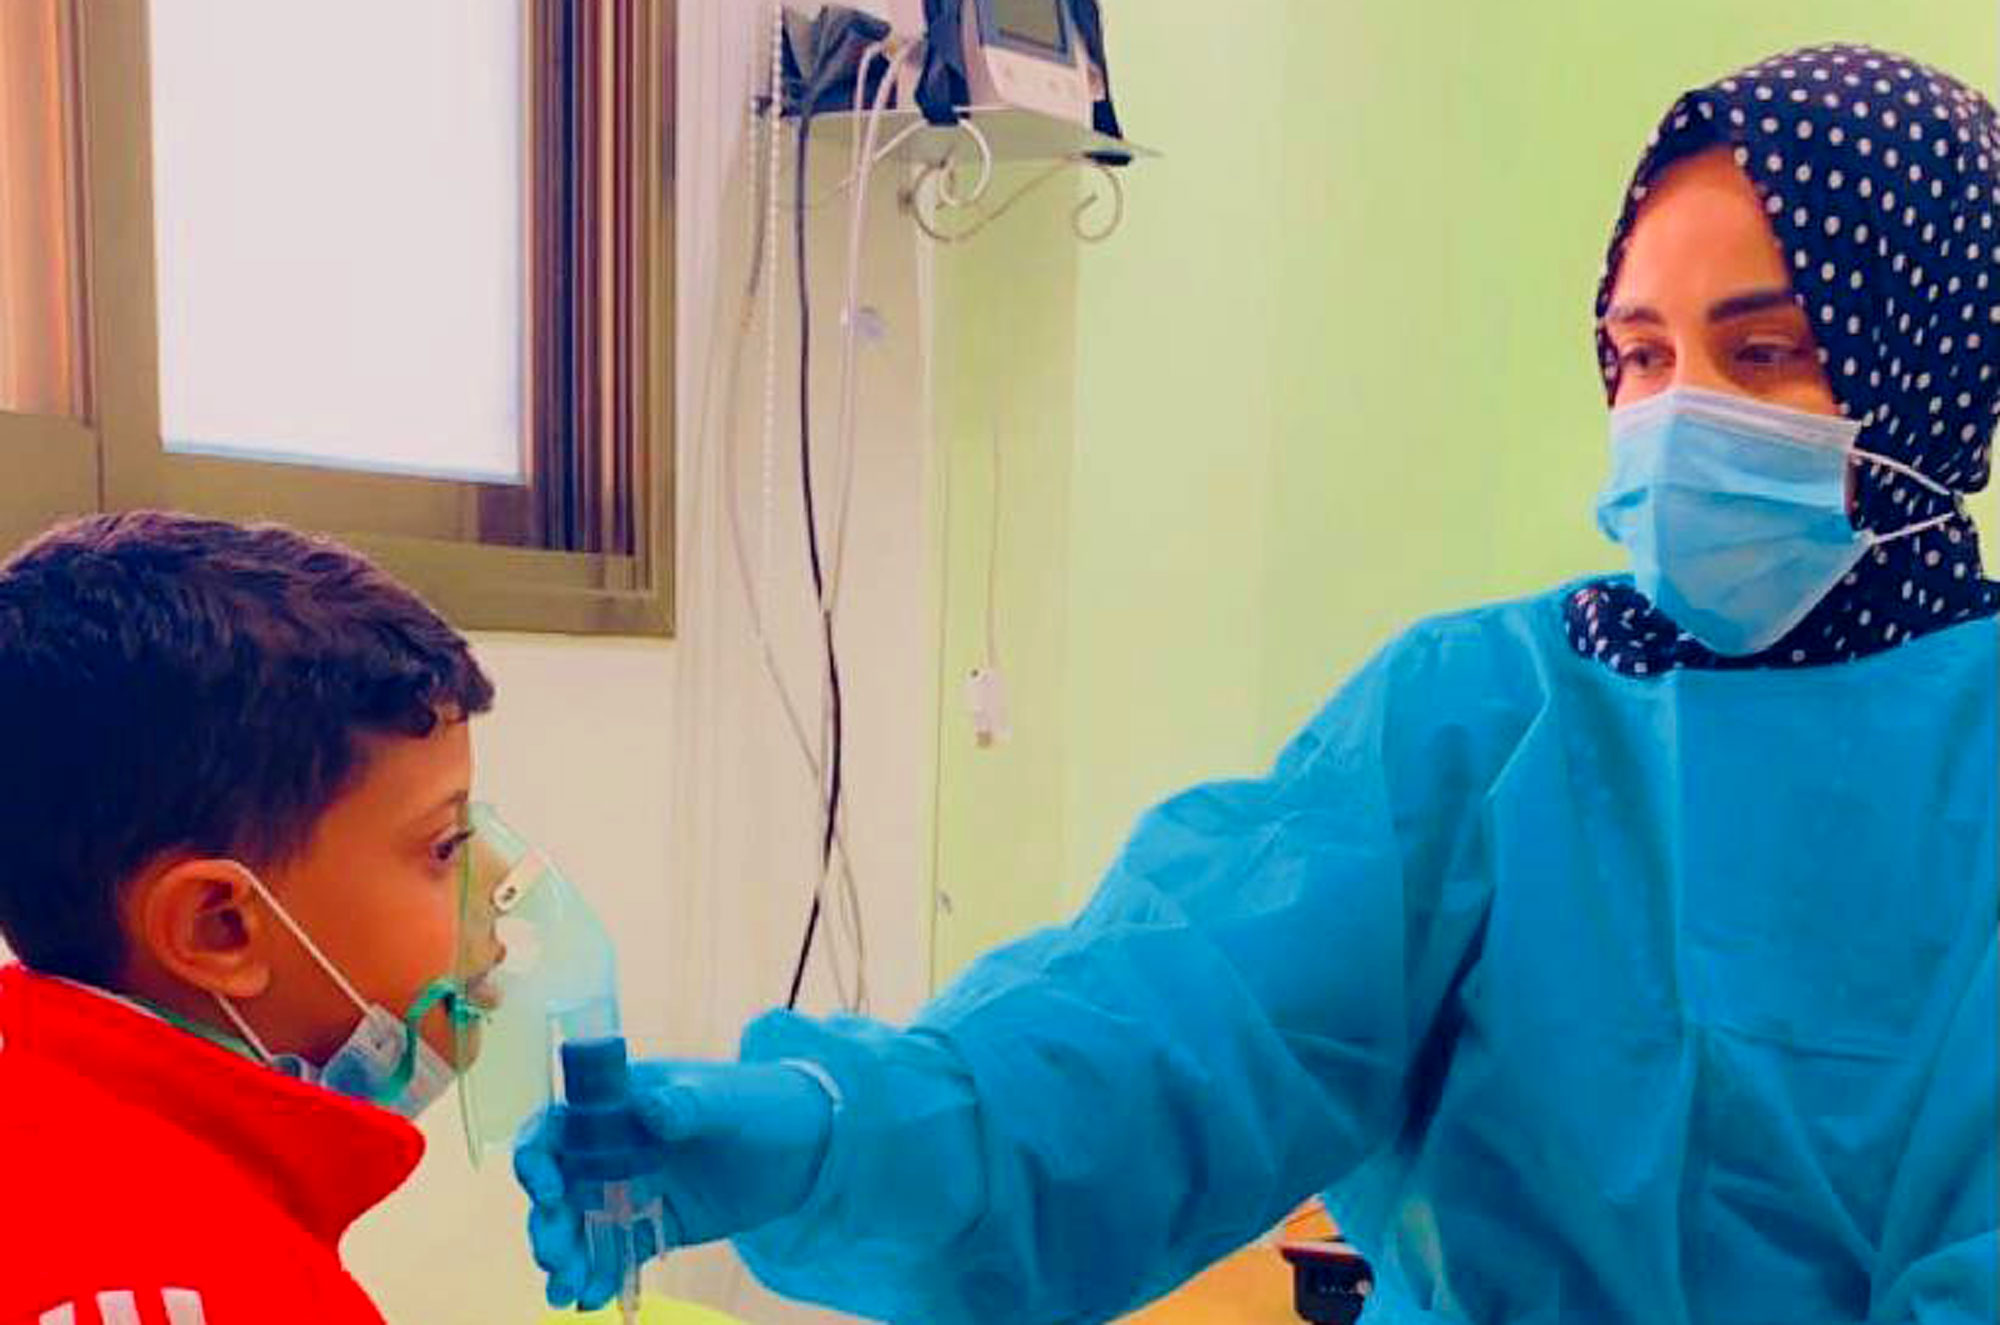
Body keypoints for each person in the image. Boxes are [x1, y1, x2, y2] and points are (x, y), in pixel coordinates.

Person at [516, 43, 2000, 1324]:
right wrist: (839, 1128)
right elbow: (1173, 1028)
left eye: (1769, 352)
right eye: (1638, 354)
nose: (1679, 418)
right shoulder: (1483, 718)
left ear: (1935, 361)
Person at [0, 512, 499, 1324]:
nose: (497, 897)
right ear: (218, 926)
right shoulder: (163, 1284)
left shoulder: (67, 1140)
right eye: (446, 847)